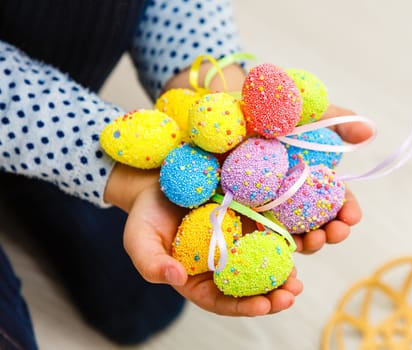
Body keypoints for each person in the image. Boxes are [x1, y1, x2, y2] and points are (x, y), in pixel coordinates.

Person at [0, 0, 372, 348]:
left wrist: (216, 82)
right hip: (31, 114)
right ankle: (40, 173)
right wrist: (118, 173)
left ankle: (40, 177)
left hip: (60, 120)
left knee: (144, 305)